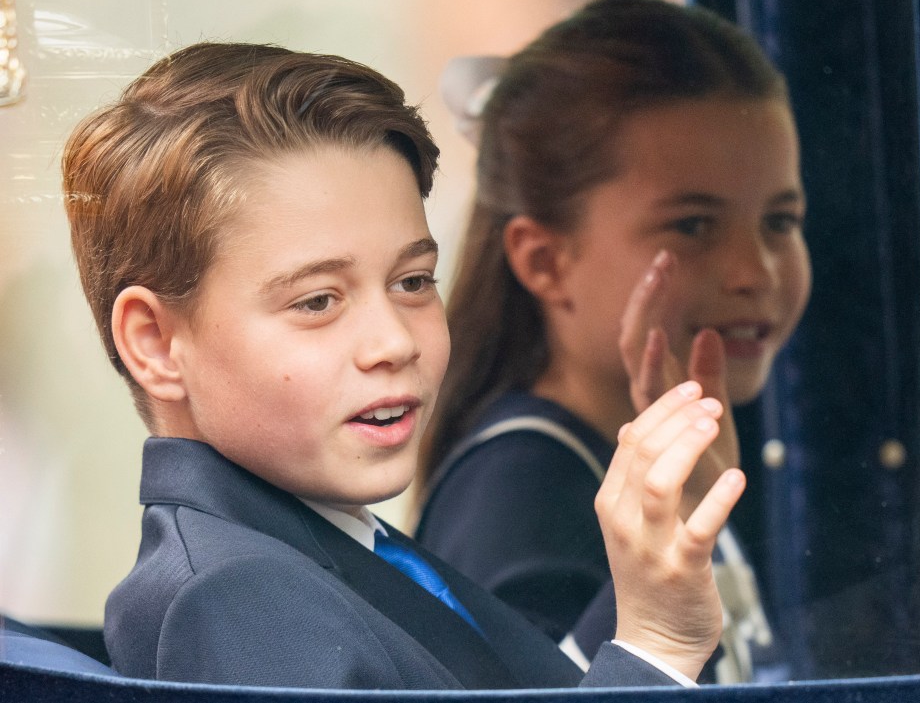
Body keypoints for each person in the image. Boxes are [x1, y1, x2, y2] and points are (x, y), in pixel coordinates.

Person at [60, 41, 746, 690]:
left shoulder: (336, 538)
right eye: (318, 300)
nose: (393, 341)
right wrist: (655, 648)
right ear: (153, 342)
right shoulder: (237, 594)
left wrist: (662, 565)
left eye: (414, 281)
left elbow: (510, 684)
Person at [415, 0, 811, 684]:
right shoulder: (521, 496)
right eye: (692, 226)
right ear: (545, 260)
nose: (755, 271)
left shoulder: (647, 466)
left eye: (779, 220)